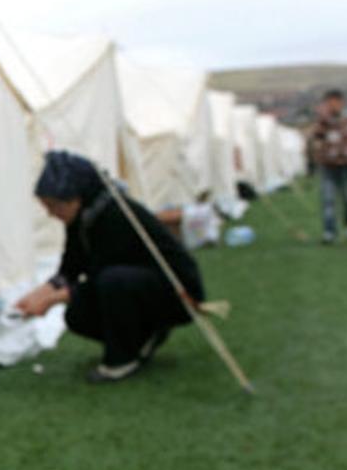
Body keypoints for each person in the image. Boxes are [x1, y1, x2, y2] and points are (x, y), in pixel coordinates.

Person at [14, 151, 206, 383]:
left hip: (178, 293)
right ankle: (143, 338)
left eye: (55, 205)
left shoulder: (116, 214)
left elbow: (97, 277)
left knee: (111, 282)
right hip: (138, 285)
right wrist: (36, 296)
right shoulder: (83, 218)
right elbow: (71, 268)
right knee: (77, 314)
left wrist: (51, 301)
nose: (50, 213)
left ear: (77, 197)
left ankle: (122, 359)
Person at [307, 89, 347, 243]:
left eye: (336, 102)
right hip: (328, 165)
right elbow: (313, 139)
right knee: (328, 198)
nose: (334, 106)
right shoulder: (322, 122)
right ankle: (329, 231)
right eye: (330, 103)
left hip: (346, 164)